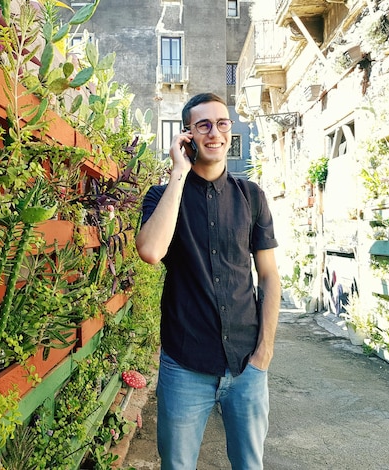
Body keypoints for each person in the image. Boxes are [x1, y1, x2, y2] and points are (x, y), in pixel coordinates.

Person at [135, 92, 281, 470]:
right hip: (185, 365)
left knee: (250, 465)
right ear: (188, 135)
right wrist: (178, 173)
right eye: (203, 125)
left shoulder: (252, 196)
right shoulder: (161, 196)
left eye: (222, 123)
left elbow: (268, 276)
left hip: (247, 364)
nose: (214, 133)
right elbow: (151, 251)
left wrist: (264, 353)